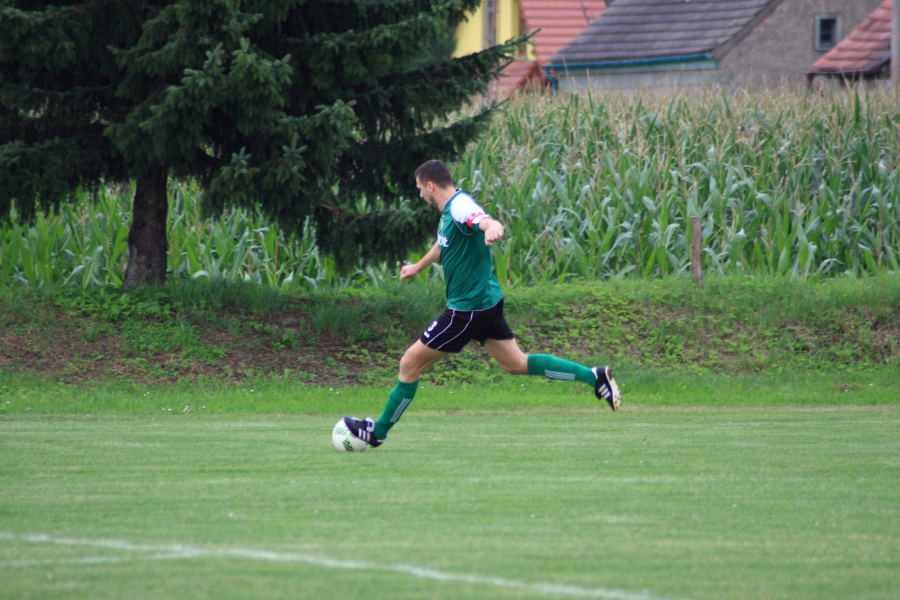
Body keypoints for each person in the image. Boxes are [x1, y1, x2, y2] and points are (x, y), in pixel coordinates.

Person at [342, 160, 620, 448]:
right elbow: (444, 242)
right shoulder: (451, 209)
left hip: (466, 311)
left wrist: (493, 227)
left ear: (430, 186)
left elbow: (484, 220)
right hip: (486, 301)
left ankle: (377, 432)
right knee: (515, 363)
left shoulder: (460, 207)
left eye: (419, 189)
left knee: (409, 363)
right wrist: (418, 266)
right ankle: (594, 377)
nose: (420, 194)